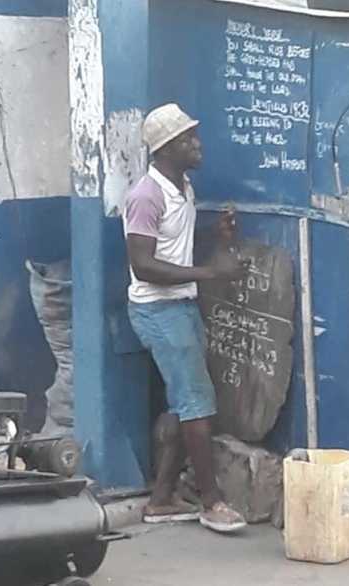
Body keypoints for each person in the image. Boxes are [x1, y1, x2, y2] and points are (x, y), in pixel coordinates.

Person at [124, 103, 247, 534]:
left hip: (180, 305)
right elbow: (143, 265)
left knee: (186, 403)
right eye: (188, 139)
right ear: (166, 149)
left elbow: (172, 244)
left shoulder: (182, 186)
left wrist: (217, 236)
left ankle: (161, 500)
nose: (197, 144)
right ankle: (211, 502)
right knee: (196, 404)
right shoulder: (146, 196)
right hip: (158, 310)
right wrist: (211, 273)